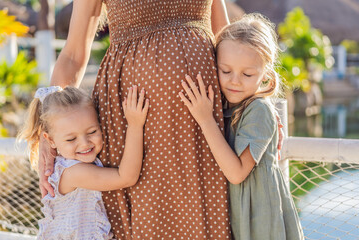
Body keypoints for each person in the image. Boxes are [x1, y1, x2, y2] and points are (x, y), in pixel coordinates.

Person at [38, 0, 232, 238]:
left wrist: (255, 104)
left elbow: (227, 38)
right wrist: (45, 130)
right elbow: (73, 54)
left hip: (203, 121)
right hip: (132, 124)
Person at [179, 13, 304, 240]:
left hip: (261, 218)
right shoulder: (225, 105)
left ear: (265, 75)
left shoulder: (259, 110)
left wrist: (206, 120)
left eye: (247, 74)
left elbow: (236, 173)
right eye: (225, 71)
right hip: (238, 212)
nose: (234, 81)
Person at [18, 86, 149, 239]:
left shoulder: (72, 165)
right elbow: (126, 177)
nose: (85, 143)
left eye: (92, 132)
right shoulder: (73, 173)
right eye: (71, 139)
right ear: (50, 140)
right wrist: (135, 125)